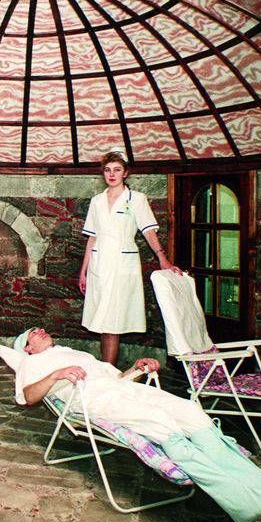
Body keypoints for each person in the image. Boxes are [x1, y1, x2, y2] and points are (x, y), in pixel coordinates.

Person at [12, 327, 261, 522]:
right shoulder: (31, 364)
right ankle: (243, 500)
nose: (41, 330)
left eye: (40, 328)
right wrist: (56, 375)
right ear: (27, 348)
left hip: (122, 390)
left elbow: (119, 379)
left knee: (191, 413)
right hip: (95, 400)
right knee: (161, 423)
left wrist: (137, 368)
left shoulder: (79, 355)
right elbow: (28, 397)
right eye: (33, 332)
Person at [79, 149, 181, 366]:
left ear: (125, 173)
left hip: (122, 266)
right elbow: (92, 237)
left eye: (117, 170)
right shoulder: (97, 201)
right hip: (99, 266)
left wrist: (162, 259)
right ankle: (107, 370)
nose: (111, 174)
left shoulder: (136, 199)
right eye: (107, 170)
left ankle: (108, 372)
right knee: (103, 322)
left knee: (112, 322)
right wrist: (83, 272)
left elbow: (149, 231)